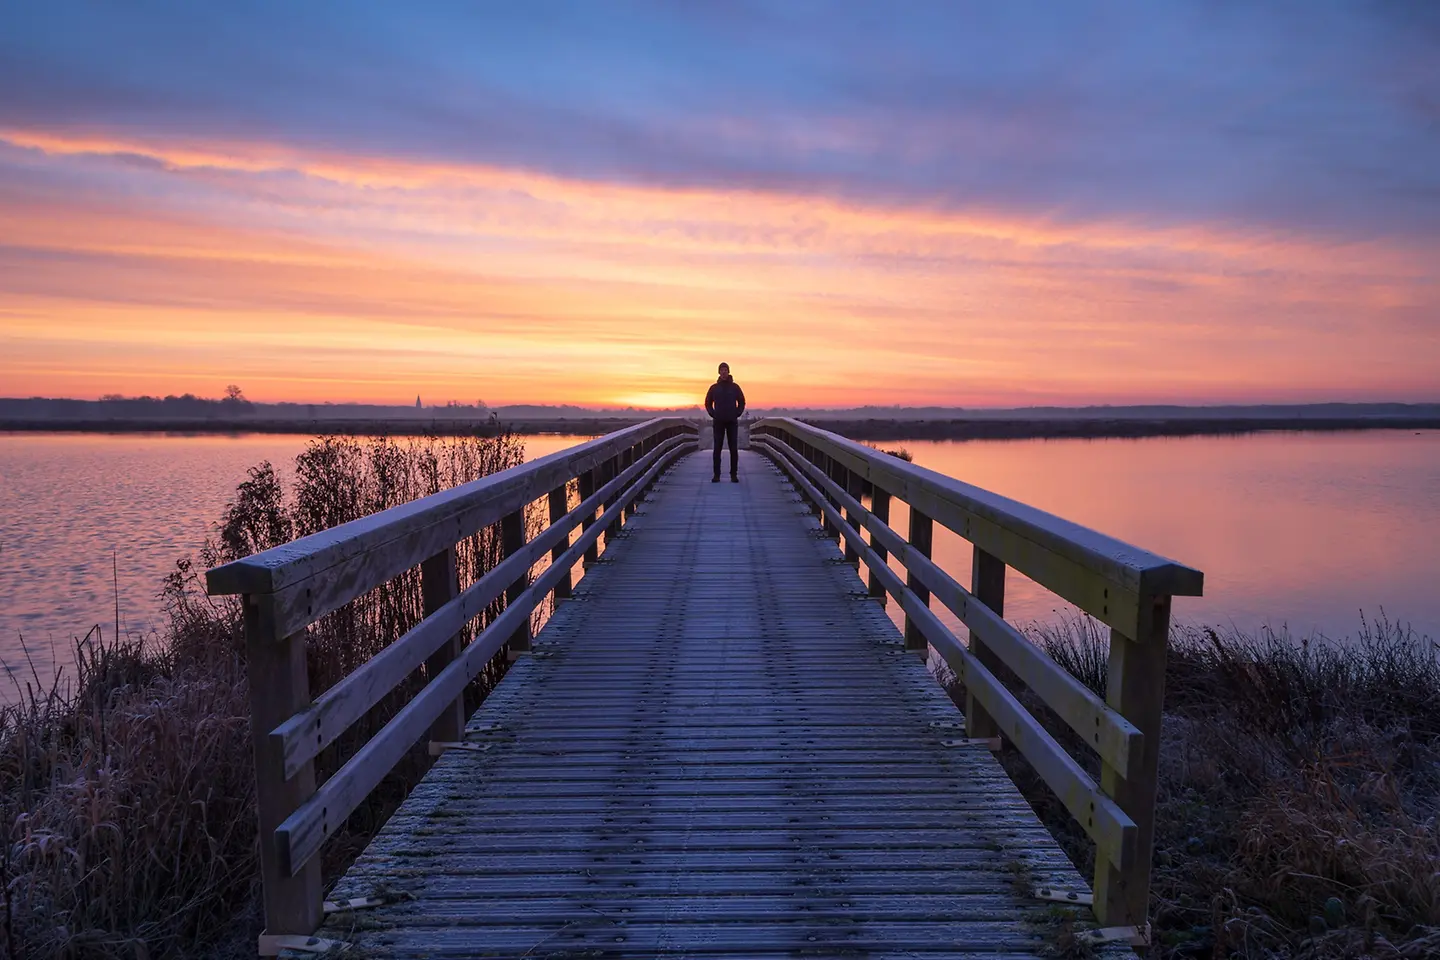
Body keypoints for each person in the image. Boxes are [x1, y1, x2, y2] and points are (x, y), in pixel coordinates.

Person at [704, 362, 746, 482]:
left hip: (732, 421)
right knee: (717, 448)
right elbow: (707, 403)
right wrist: (713, 414)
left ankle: (734, 475)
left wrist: (737, 413)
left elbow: (742, 402)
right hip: (718, 422)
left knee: (733, 449)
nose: (724, 372)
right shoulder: (714, 388)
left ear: (728, 372)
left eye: (725, 370)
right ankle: (716, 475)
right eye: (722, 370)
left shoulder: (735, 387)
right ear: (719, 372)